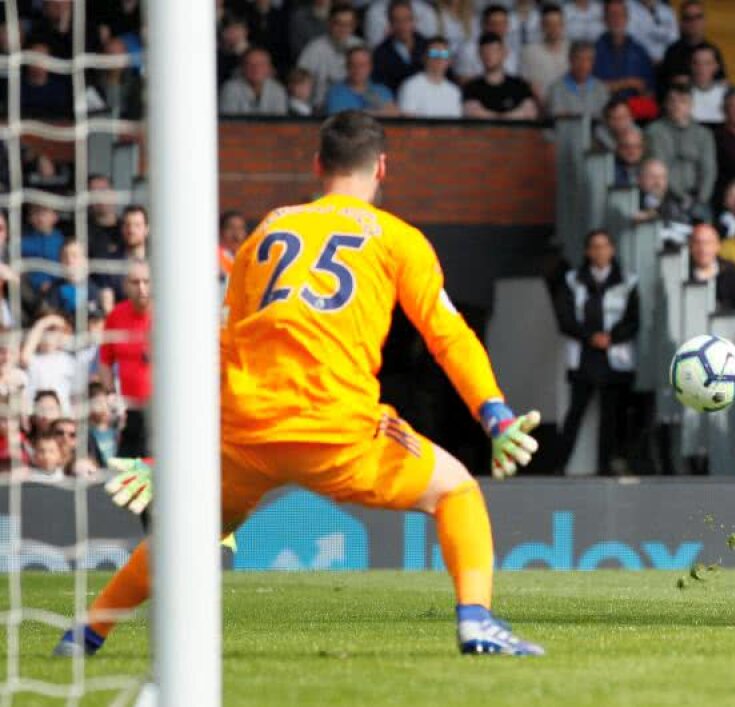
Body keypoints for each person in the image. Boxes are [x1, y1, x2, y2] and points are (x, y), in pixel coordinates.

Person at [55, 111, 545, 658]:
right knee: (457, 490)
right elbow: (447, 335)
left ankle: (87, 633)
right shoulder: (398, 239)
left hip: (248, 434)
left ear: (317, 166)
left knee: (188, 536)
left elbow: (219, 344)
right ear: (382, 168)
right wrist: (494, 416)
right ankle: (476, 622)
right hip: (337, 433)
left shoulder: (264, 232)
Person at [552, 230, 638, 475]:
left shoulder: (628, 280)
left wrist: (612, 337)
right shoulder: (572, 280)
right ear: (587, 252)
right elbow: (565, 318)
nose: (600, 252)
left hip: (615, 356)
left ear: (612, 250)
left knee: (611, 414)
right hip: (584, 355)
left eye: (604, 246)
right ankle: (559, 465)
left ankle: (606, 466)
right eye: (595, 247)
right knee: (575, 412)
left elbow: (633, 319)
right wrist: (590, 336)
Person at [99, 260, 151, 459]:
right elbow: (105, 362)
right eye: (135, 282)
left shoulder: (168, 316)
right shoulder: (116, 316)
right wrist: (111, 394)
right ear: (125, 286)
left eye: (146, 281)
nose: (142, 288)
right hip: (128, 412)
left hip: (161, 411)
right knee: (124, 473)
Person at [645, 86, 717, 221]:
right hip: (666, 196)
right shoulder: (654, 132)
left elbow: (709, 170)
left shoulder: (704, 134)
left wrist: (701, 199)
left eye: (683, 101)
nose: (677, 105)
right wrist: (682, 198)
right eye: (672, 101)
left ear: (691, 105)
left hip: (698, 198)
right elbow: (661, 169)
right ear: (665, 104)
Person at [297, 5, 365, 107]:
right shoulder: (313, 49)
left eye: (348, 24)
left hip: (356, 109)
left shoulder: (361, 47)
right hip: (320, 111)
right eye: (338, 23)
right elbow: (299, 84)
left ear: (354, 26)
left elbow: (368, 85)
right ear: (329, 23)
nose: (343, 28)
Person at [461, 34, 537, 120]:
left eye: (494, 51)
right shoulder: (471, 87)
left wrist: (497, 118)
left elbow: (530, 112)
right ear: (479, 55)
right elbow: (471, 113)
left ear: (504, 53)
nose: (489, 56)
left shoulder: (520, 85)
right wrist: (509, 117)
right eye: (485, 52)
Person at [592, 0, 655, 102]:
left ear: (627, 18)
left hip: (633, 111)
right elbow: (590, 89)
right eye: (612, 15)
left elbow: (649, 89)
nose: (617, 19)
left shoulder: (640, 51)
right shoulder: (593, 51)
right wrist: (628, 83)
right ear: (604, 19)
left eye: (621, 15)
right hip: (602, 110)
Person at [659, 0, 725, 93]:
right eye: (688, 18)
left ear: (704, 20)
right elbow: (675, 86)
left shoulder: (713, 50)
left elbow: (723, 84)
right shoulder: (673, 52)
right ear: (681, 22)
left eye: (698, 17)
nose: (694, 22)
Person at [687, 223, 735, 314]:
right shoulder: (683, 273)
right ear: (690, 247)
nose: (702, 248)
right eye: (697, 243)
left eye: (707, 243)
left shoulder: (733, 271)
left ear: (717, 246)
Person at [371, 0, 429, 94]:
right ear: (390, 23)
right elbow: (381, 88)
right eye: (397, 21)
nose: (403, 26)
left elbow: (444, 59)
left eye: (407, 19)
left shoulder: (428, 46)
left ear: (413, 20)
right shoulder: (380, 54)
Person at [397, 37, 463, 119]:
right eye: (434, 53)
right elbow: (407, 123)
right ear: (424, 58)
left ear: (449, 61)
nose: (439, 58)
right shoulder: (411, 86)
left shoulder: (454, 91)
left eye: (444, 54)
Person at [544, 41, 608, 119]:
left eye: (588, 59)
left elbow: (605, 120)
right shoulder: (556, 89)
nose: (583, 65)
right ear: (570, 60)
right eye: (578, 59)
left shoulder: (600, 88)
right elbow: (557, 119)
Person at [325, 47, 399, 116]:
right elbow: (342, 119)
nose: (357, 69)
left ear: (370, 67)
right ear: (346, 66)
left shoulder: (383, 91)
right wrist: (379, 112)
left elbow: (393, 116)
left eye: (362, 65)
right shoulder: (335, 93)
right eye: (353, 64)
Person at [218, 47, 288, 116]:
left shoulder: (278, 90)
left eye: (261, 64)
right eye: (250, 64)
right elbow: (228, 123)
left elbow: (280, 123)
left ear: (269, 68)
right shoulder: (230, 89)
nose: (256, 69)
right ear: (242, 68)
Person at [521, 4, 569, 101]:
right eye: (549, 24)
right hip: (540, 105)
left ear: (563, 25)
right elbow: (528, 83)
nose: (553, 28)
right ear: (541, 25)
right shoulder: (529, 51)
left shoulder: (572, 50)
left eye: (557, 24)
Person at [688, 44, 725, 123]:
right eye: (696, 63)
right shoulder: (681, 94)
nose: (701, 68)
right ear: (690, 66)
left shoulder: (726, 93)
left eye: (707, 63)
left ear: (716, 66)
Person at [219, 210, 249, 283]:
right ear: (221, 231)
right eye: (231, 228)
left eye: (240, 228)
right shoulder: (213, 256)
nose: (236, 234)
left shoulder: (249, 256)